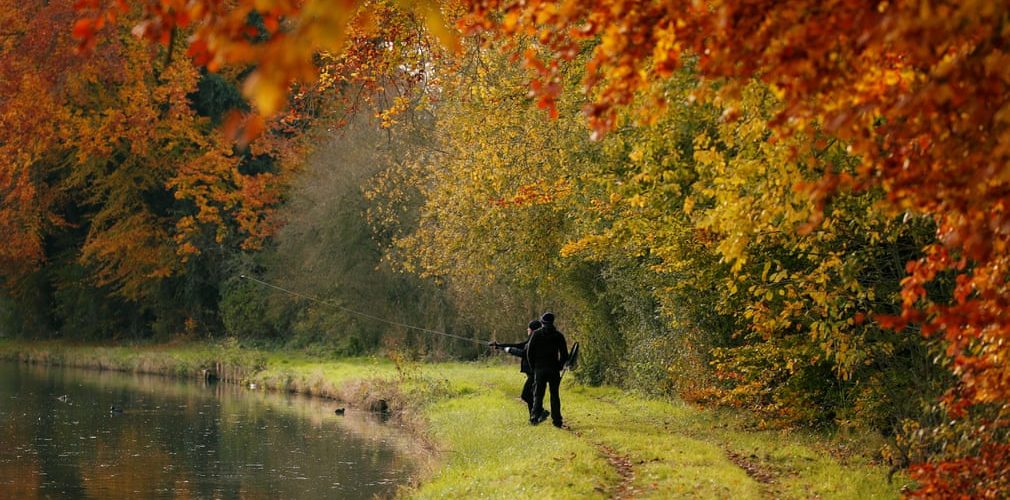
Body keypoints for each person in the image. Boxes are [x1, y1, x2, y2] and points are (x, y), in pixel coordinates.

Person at [526, 311, 568, 428]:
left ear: (542, 322)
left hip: (539, 369)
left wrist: (534, 367)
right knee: (554, 395)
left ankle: (534, 417)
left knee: (538, 394)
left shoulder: (536, 334)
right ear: (552, 322)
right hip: (553, 369)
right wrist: (559, 366)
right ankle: (557, 420)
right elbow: (564, 354)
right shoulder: (558, 335)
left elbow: (529, 353)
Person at [490, 319, 540, 416]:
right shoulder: (532, 339)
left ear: (533, 330)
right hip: (533, 372)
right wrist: (500, 346)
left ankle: (540, 412)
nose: (527, 330)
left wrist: (510, 350)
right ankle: (534, 418)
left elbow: (524, 353)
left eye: (529, 329)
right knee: (531, 395)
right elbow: (519, 345)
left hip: (535, 372)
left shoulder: (535, 340)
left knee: (526, 395)